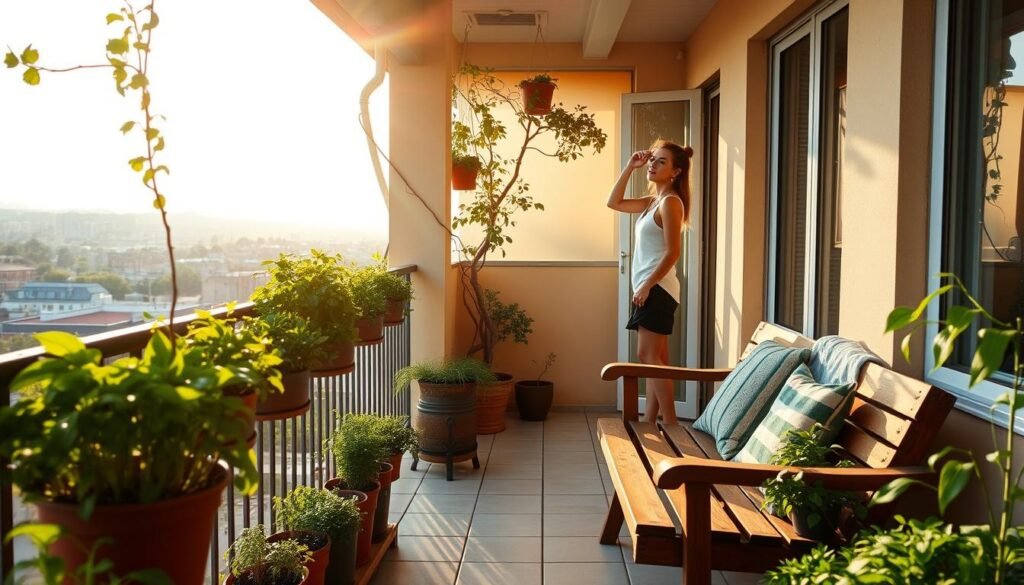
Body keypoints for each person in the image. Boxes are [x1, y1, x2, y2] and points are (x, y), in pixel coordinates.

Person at [606, 139, 693, 425]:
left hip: (657, 290)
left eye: (661, 161)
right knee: (659, 360)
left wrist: (646, 286)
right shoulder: (652, 202)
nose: (653, 165)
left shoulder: (670, 203)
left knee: (647, 356)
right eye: (652, 159)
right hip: (653, 289)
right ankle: (649, 420)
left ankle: (670, 424)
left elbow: (673, 252)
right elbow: (614, 202)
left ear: (676, 172)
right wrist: (631, 167)